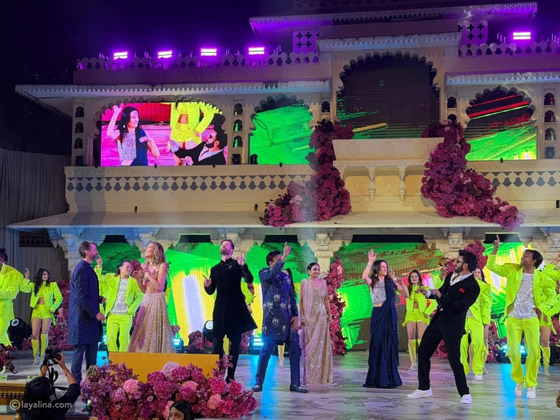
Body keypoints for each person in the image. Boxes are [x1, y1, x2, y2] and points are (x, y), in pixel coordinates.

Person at [487, 236, 556, 399]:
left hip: (531, 318)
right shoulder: (513, 271)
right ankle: (519, 381)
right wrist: (495, 250)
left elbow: (552, 296)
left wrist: (541, 308)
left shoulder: (542, 278)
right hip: (514, 317)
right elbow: (491, 266)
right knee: (512, 351)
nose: (522, 257)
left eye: (526, 255)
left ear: (534, 260)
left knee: (534, 351)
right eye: (523, 255)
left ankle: (531, 384)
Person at [408, 250, 480, 404]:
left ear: (465, 265)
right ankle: (424, 388)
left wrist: (442, 296)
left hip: (453, 325)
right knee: (423, 352)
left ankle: (465, 393)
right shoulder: (451, 276)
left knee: (454, 360)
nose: (455, 263)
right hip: (438, 320)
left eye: (458, 261)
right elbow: (440, 292)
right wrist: (428, 293)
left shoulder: (473, 286)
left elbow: (460, 306)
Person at [252, 243, 307, 393]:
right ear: (271, 262)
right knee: (265, 351)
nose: (282, 262)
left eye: (282, 260)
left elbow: (291, 297)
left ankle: (295, 383)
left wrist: (295, 315)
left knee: (295, 351)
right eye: (278, 260)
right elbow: (271, 274)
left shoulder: (286, 277)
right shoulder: (264, 273)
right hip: (271, 320)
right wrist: (284, 257)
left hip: (288, 320)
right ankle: (258, 383)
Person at [204, 239, 256, 381]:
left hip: (235, 308)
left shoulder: (237, 265)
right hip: (220, 309)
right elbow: (211, 290)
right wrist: (207, 285)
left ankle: (231, 376)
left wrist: (243, 265)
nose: (223, 246)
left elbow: (249, 279)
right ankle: (217, 375)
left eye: (227, 245)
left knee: (235, 344)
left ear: (232, 250)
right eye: (222, 245)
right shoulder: (214, 269)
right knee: (217, 343)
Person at [362, 250, 409, 388]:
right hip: (378, 314)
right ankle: (375, 378)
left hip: (390, 314)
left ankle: (389, 377)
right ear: (377, 269)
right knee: (377, 343)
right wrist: (370, 261)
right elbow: (364, 276)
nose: (385, 268)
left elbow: (405, 295)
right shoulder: (373, 281)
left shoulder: (390, 281)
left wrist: (402, 284)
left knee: (389, 343)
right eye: (382, 266)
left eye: (386, 266)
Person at [68, 241, 105, 384]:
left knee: (92, 351)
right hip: (82, 318)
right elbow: (80, 295)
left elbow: (86, 293)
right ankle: (75, 383)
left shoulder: (87, 268)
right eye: (94, 249)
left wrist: (98, 298)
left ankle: (92, 382)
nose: (97, 252)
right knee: (79, 351)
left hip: (88, 319)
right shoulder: (81, 269)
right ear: (87, 252)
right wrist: (95, 312)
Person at [128, 242, 174, 353]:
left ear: (156, 251)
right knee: (143, 329)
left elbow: (159, 287)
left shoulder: (162, 266)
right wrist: (138, 280)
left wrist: (148, 274)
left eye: (149, 247)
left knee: (154, 328)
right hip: (147, 299)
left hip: (157, 300)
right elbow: (145, 290)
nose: (146, 249)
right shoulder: (146, 266)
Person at [95, 258, 143, 353]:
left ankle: (123, 359)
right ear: (120, 268)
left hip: (126, 314)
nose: (129, 269)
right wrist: (99, 266)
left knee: (124, 338)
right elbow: (98, 277)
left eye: (130, 267)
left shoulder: (133, 282)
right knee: (110, 337)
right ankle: (114, 359)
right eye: (127, 267)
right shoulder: (111, 277)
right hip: (112, 314)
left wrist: (131, 310)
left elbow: (140, 296)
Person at [299, 262, 334, 386]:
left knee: (322, 345)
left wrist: (329, 313)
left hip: (322, 316)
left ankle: (322, 377)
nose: (317, 272)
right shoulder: (305, 282)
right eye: (314, 269)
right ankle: (310, 377)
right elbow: (301, 300)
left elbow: (326, 300)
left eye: (318, 269)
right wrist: (302, 316)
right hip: (310, 318)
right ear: (309, 271)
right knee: (310, 347)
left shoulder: (323, 283)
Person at [22, 353, 80, 420]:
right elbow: (74, 389)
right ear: (49, 393)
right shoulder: (57, 408)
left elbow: (36, 391)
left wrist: (43, 371)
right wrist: (64, 367)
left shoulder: (26, 409)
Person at [25, 268, 63, 365]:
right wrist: (26, 278)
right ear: (40, 276)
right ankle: (35, 356)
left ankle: (43, 356)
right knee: (34, 334)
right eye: (44, 274)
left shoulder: (52, 285)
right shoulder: (34, 285)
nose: (46, 276)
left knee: (44, 334)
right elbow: (25, 288)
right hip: (36, 310)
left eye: (47, 274)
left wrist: (53, 308)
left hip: (47, 311)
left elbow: (59, 298)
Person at [460, 267, 491, 381]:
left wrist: (485, 320)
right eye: (475, 272)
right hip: (462, 318)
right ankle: (463, 369)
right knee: (462, 344)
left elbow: (486, 304)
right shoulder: (461, 283)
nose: (476, 274)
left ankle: (478, 370)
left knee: (478, 343)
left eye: (479, 272)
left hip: (476, 318)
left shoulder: (484, 287)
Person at [0, 247, 32, 345]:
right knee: (3, 338)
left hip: (4, 309)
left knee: (1, 331)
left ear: (2, 259)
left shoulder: (14, 274)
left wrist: (25, 281)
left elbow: (13, 293)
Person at [402, 270, 432, 372]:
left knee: (421, 339)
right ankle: (413, 363)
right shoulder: (407, 290)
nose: (414, 278)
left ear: (419, 277)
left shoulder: (425, 289)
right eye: (412, 277)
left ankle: (422, 362)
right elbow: (398, 289)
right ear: (409, 279)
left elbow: (434, 302)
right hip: (410, 314)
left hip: (421, 314)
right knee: (411, 339)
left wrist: (427, 312)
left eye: (416, 276)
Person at [541, 252, 560, 376]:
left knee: (544, 340)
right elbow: (546, 272)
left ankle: (546, 366)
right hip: (540, 312)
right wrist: (556, 260)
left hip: (547, 314)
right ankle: (540, 365)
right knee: (539, 340)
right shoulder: (549, 284)